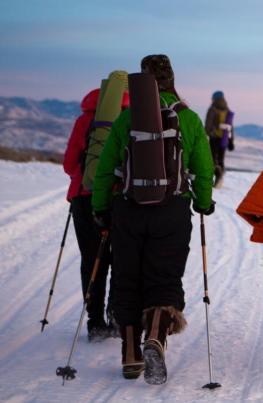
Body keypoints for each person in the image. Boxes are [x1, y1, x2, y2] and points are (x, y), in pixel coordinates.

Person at [91, 54, 215, 383]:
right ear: (172, 79)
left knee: (127, 278)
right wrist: (204, 203)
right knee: (165, 276)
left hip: (129, 209)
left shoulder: (127, 118)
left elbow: (105, 170)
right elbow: (204, 168)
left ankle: (131, 355)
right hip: (171, 210)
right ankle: (156, 338)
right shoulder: (187, 119)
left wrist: (101, 208)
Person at [63, 86, 129, 341]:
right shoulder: (130, 119)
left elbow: (69, 163)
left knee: (92, 261)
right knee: (121, 259)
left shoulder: (85, 120)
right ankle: (116, 314)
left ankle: (95, 322)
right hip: (118, 199)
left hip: (84, 199)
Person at [205, 90, 235, 188]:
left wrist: (207, 133)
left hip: (214, 138)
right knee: (221, 160)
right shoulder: (227, 110)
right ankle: (220, 179)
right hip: (224, 139)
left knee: (212, 159)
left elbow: (208, 126)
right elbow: (230, 127)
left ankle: (214, 178)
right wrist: (231, 141)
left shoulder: (213, 109)